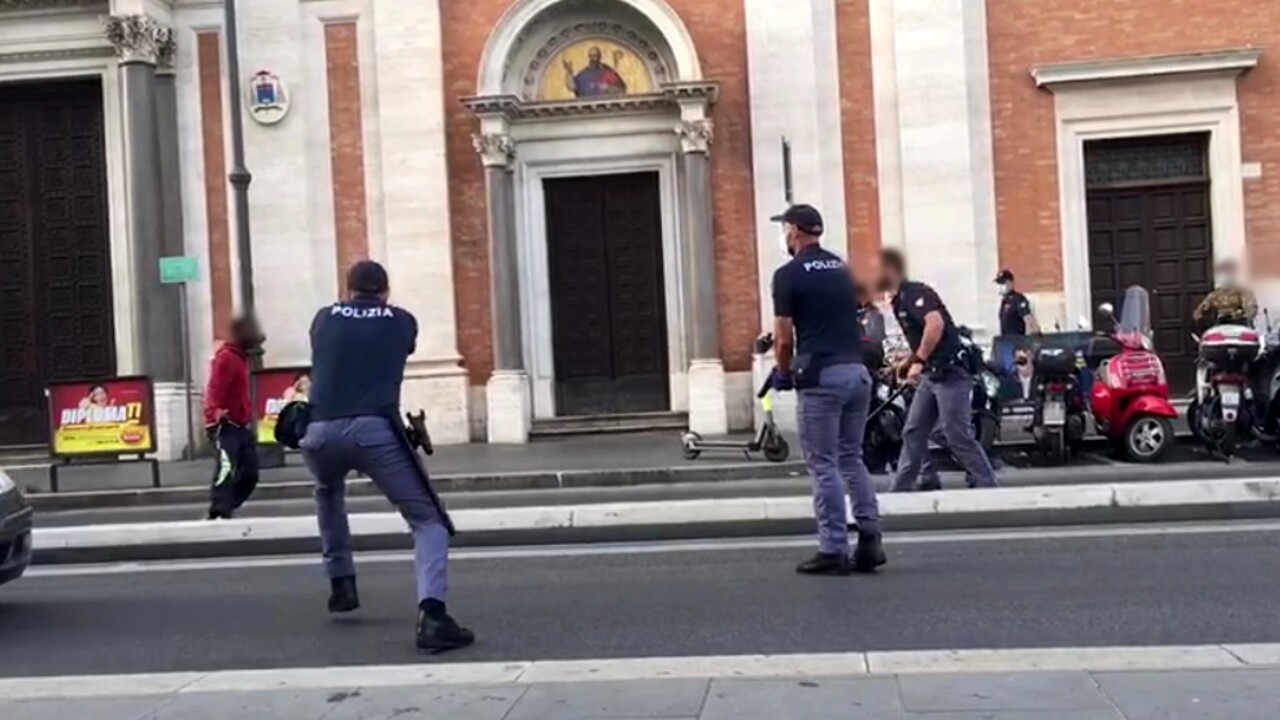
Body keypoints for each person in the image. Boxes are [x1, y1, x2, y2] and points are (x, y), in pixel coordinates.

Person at [301, 260, 473, 654]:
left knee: (328, 490)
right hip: (374, 430)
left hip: (319, 432)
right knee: (427, 520)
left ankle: (341, 581)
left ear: (347, 290)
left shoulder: (323, 318)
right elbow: (403, 345)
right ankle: (433, 616)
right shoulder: (401, 320)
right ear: (385, 290)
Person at [771, 204, 885, 576]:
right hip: (857, 372)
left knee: (823, 464)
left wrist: (783, 373)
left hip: (821, 378)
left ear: (793, 231)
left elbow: (783, 338)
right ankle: (870, 537)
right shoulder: (842, 268)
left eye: (784, 229)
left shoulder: (788, 275)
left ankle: (833, 548)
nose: (784, 236)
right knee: (851, 458)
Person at [877, 249, 998, 492]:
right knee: (913, 431)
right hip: (932, 375)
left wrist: (919, 361)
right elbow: (920, 338)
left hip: (950, 372)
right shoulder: (899, 301)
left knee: (957, 435)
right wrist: (907, 362)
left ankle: (987, 483)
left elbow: (935, 324)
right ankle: (902, 488)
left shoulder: (915, 293)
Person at [204, 316, 263, 520]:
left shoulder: (240, 358)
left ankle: (228, 505)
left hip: (240, 424)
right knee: (226, 467)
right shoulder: (227, 357)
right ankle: (219, 510)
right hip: (224, 424)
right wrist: (215, 412)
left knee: (250, 473)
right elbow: (214, 388)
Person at [1192, 259, 1257, 333]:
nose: (1228, 275)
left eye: (1230, 271)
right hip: (1222, 323)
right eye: (1225, 271)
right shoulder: (1216, 293)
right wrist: (1199, 320)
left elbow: (1250, 307)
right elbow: (1202, 308)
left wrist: (1245, 317)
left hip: (1239, 323)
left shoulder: (1242, 292)